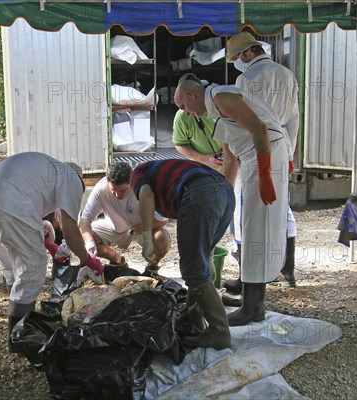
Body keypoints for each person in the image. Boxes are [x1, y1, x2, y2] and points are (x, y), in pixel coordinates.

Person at [174, 77, 289, 326]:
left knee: (259, 228)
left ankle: (253, 307)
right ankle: (248, 290)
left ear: (192, 95)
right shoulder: (215, 113)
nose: (186, 113)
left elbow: (259, 129)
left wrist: (266, 174)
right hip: (251, 161)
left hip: (267, 156)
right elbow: (229, 159)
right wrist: (223, 195)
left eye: (183, 105)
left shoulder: (221, 96)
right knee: (246, 226)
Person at [0, 152, 104, 353]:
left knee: (13, 263)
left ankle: (19, 322)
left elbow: (25, 203)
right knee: (34, 265)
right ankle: (20, 335)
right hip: (3, 200)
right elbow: (69, 228)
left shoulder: (46, 170)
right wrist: (86, 260)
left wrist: (41, 231)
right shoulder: (71, 178)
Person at [130, 159, 235, 349]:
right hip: (225, 191)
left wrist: (146, 239)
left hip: (200, 192)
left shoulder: (137, 172)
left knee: (193, 270)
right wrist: (208, 255)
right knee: (200, 266)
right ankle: (193, 322)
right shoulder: (163, 172)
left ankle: (219, 332)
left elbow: (146, 196)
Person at [226, 31, 299, 288]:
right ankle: (287, 270)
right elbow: (293, 117)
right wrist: (290, 154)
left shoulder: (245, 78)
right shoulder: (287, 74)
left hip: (255, 147)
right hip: (282, 144)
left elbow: (243, 120)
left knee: (245, 211)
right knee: (282, 208)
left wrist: (232, 151)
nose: (238, 61)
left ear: (248, 52)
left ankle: (247, 277)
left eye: (238, 56)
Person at [79, 161, 170, 271]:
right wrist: (89, 244)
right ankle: (118, 260)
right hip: (114, 226)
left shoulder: (144, 187)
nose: (117, 195)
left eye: (123, 190)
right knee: (83, 235)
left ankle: (152, 267)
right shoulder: (101, 189)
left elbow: (162, 220)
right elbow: (85, 219)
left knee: (162, 239)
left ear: (131, 182)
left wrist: (133, 231)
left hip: (143, 228)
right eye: (113, 190)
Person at [172, 75, 224, 171]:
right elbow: (179, 145)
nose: (186, 112)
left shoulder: (221, 106)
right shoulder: (182, 117)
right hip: (202, 170)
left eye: (184, 106)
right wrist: (205, 159)